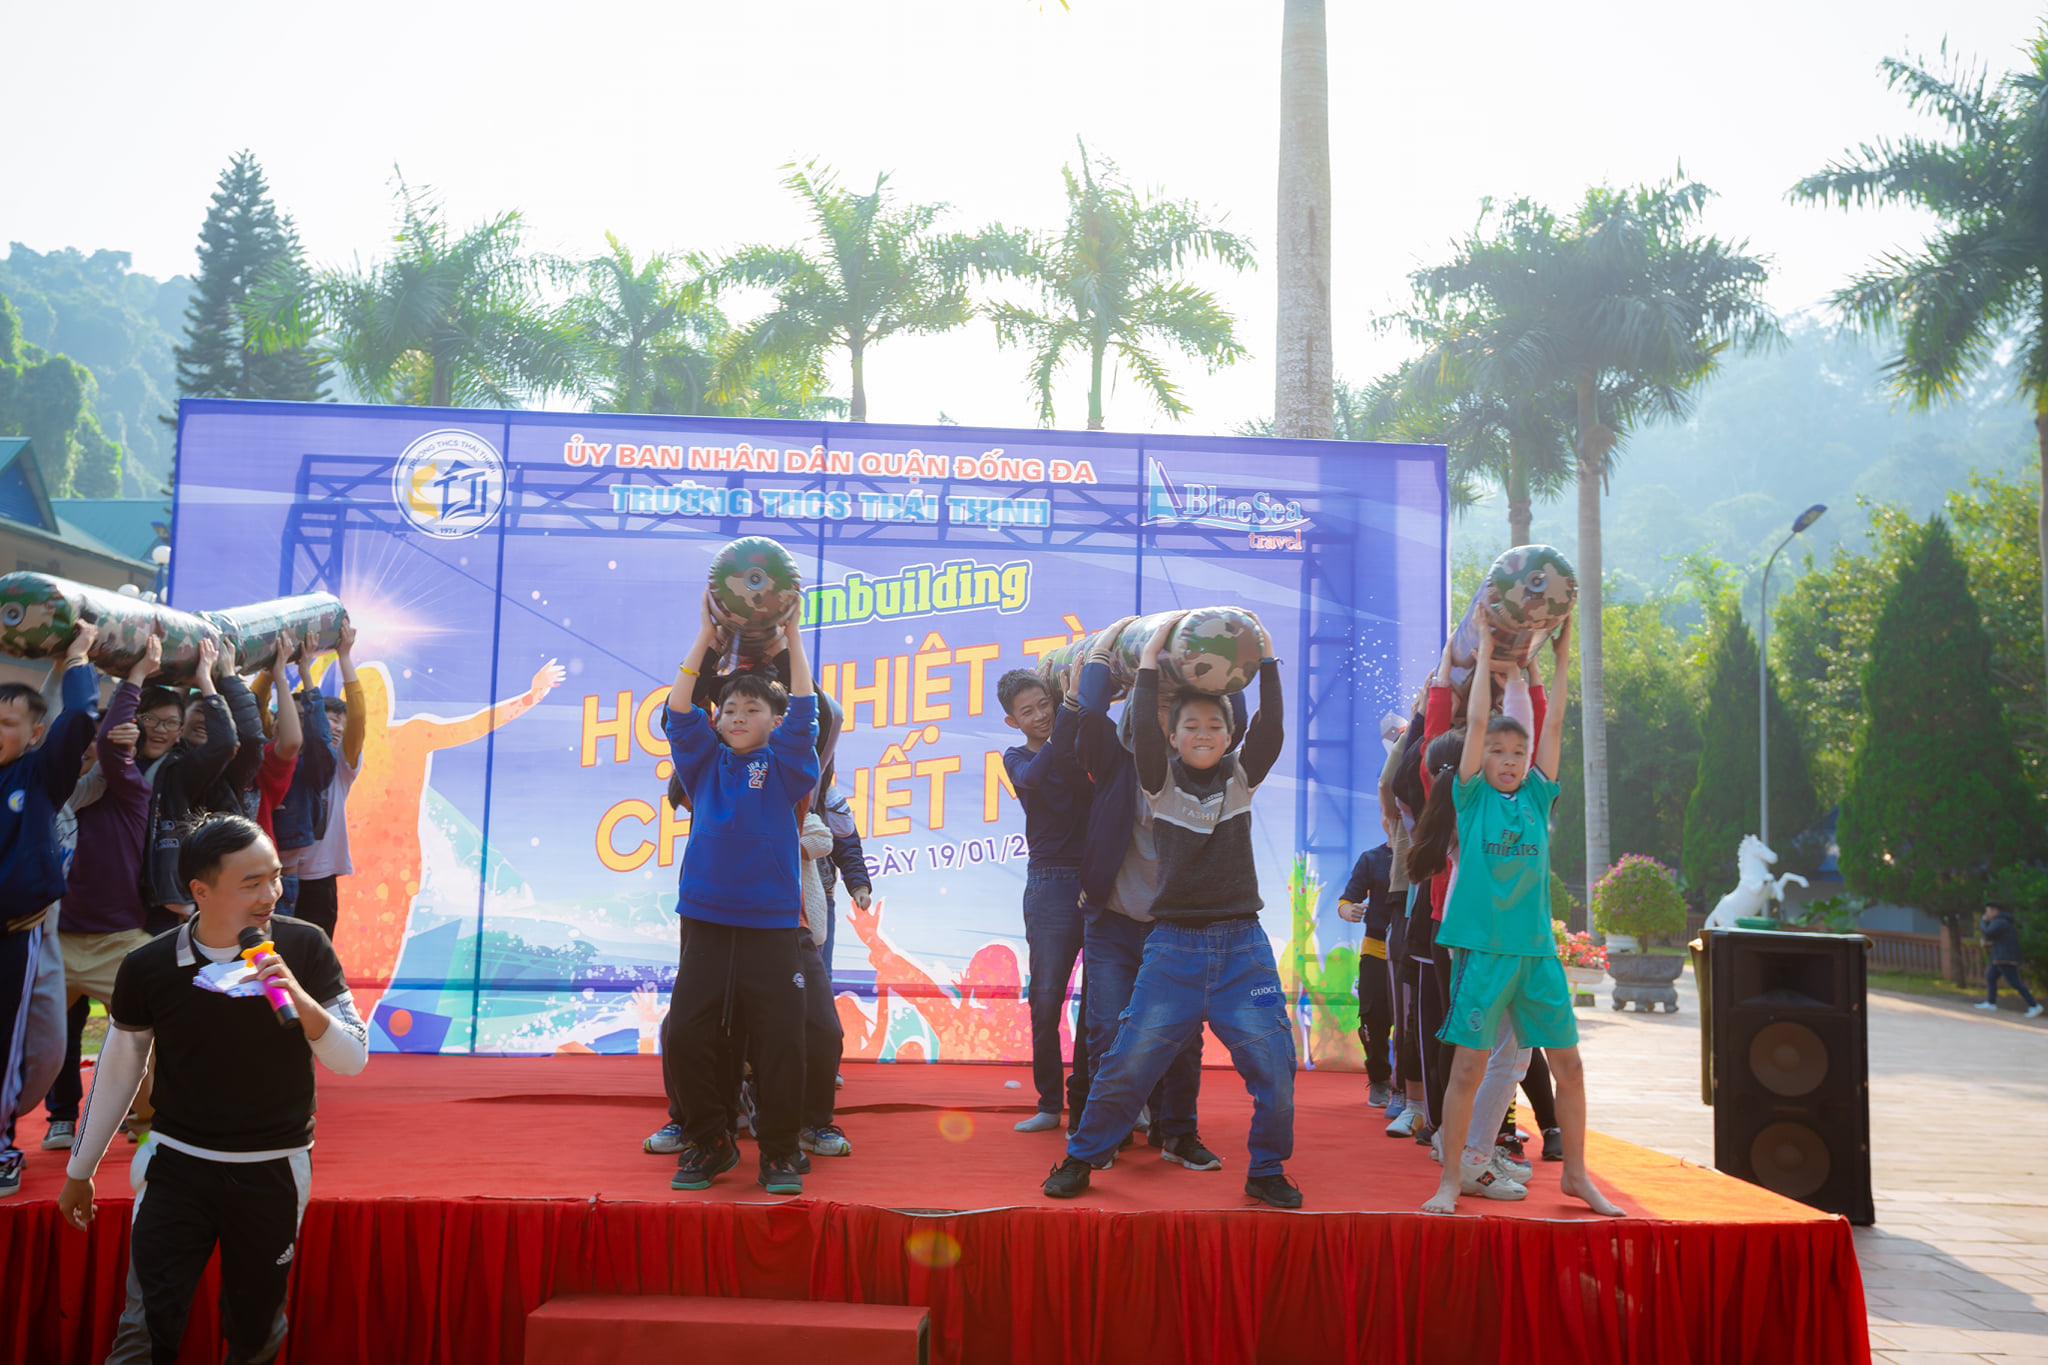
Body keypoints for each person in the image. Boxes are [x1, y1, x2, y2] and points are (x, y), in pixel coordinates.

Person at [56, 813, 367, 1364]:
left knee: (255, 1333)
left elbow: (352, 1058)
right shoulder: (149, 964)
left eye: (274, 877)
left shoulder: (305, 946)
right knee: (144, 1331)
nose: (270, 894)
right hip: (176, 1166)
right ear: (200, 890)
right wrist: (80, 1170)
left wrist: (297, 996)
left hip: (274, 1169)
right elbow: (120, 1070)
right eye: (251, 883)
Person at [1045, 615, 1300, 1209]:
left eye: (1215, 724)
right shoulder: (1156, 780)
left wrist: (1266, 661)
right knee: (1126, 1062)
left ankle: (1266, 1169)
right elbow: (1139, 723)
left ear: (1230, 735)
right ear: (1172, 736)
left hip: (1242, 949)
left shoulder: (1241, 779)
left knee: (1276, 1066)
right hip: (1174, 948)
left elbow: (1271, 726)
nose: (1204, 733)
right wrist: (1149, 658)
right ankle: (1082, 1157)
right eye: (1191, 725)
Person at [1419, 623, 1620, 1217]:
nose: (1509, 760)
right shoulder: (1471, 797)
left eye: (1517, 753)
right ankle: (1452, 1180)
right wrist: (1485, 654)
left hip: (1536, 954)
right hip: (1483, 952)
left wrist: (1559, 659)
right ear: (1480, 757)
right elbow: (1480, 719)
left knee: (1569, 1066)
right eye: (1498, 752)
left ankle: (1576, 1175)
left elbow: (1552, 726)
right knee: (1469, 1068)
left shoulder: (1536, 796)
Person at [661, 600, 818, 1195]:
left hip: (771, 924)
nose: (737, 716)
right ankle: (711, 1141)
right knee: (686, 1035)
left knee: (781, 1041)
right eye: (729, 709)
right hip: (705, 918)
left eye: (752, 709)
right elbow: (680, 711)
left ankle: (778, 1152)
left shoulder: (786, 766)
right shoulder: (703, 763)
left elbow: (805, 711)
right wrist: (705, 635)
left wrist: (795, 636)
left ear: (774, 722)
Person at [1070, 619, 1214, 1171]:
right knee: (1107, 1028)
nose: (1160, 719)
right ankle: (1103, 1135)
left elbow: (1239, 719)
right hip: (1112, 922)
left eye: (1172, 712)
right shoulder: (1114, 763)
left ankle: (1178, 1133)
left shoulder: (1203, 773)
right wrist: (1107, 652)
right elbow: (1090, 715)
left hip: (1177, 927)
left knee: (1182, 1035)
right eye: (1151, 707)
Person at [43, 632, 163, 1152]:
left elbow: (110, 745)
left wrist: (134, 676)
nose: (94, 746)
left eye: (104, 739)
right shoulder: (51, 792)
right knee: (40, 1042)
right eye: (87, 740)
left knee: (148, 1039)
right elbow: (50, 728)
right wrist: (64, 665)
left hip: (118, 942)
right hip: (55, 940)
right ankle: (56, 1119)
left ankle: (152, 1127)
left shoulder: (130, 787)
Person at [0, 621, 100, 1198]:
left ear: (35, 733)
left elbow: (78, 718)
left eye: (7, 724)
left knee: (11, 1045)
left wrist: (78, 657)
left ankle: (2, 1145)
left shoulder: (39, 775)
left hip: (16, 935)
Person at [999, 665, 1094, 1134]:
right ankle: (1049, 1103)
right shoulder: (1016, 757)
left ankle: (1097, 1098)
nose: (1040, 715)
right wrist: (1066, 720)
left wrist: (1078, 710)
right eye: (1028, 711)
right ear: (1012, 721)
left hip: (1097, 881)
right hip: (1050, 883)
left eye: (1045, 705)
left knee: (1101, 1002)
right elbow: (1036, 777)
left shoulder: (1075, 744)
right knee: (1046, 1000)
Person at [139, 638, 239, 934]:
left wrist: (205, 680)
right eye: (151, 719)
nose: (160, 730)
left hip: (159, 904)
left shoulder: (178, 772)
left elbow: (225, 743)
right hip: (108, 897)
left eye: (170, 723)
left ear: (180, 731)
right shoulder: (112, 759)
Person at [288, 623, 366, 941]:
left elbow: (358, 717)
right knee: (269, 955)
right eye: (330, 720)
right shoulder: (282, 756)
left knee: (313, 954)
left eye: (340, 723)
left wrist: (344, 656)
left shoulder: (342, 764)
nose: (336, 728)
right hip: (279, 871)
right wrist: (274, 667)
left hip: (318, 877)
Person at [795, 810, 851, 1158]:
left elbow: (821, 839)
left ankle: (814, 1123)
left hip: (800, 932)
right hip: (741, 931)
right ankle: (701, 1123)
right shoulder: (729, 802)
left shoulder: (799, 808)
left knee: (826, 1031)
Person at [1336, 841, 1396, 1108]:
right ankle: (1380, 1079)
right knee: (1372, 1021)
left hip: (1413, 953)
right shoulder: (1372, 858)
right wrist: (1349, 911)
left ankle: (1409, 1087)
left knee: (1413, 1024)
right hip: (1376, 950)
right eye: (1389, 819)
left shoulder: (1428, 852)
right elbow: (1346, 900)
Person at [1978, 903, 2042, 1016]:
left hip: (2005, 957)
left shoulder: (2000, 921)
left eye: (1988, 912)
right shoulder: (2001, 921)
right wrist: (1986, 923)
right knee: (1991, 977)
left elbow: (1988, 932)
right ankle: (1991, 1003)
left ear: (1995, 911)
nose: (1986, 914)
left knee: (2015, 982)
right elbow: (1990, 934)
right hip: (2000, 956)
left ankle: (2034, 1006)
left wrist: (1983, 922)